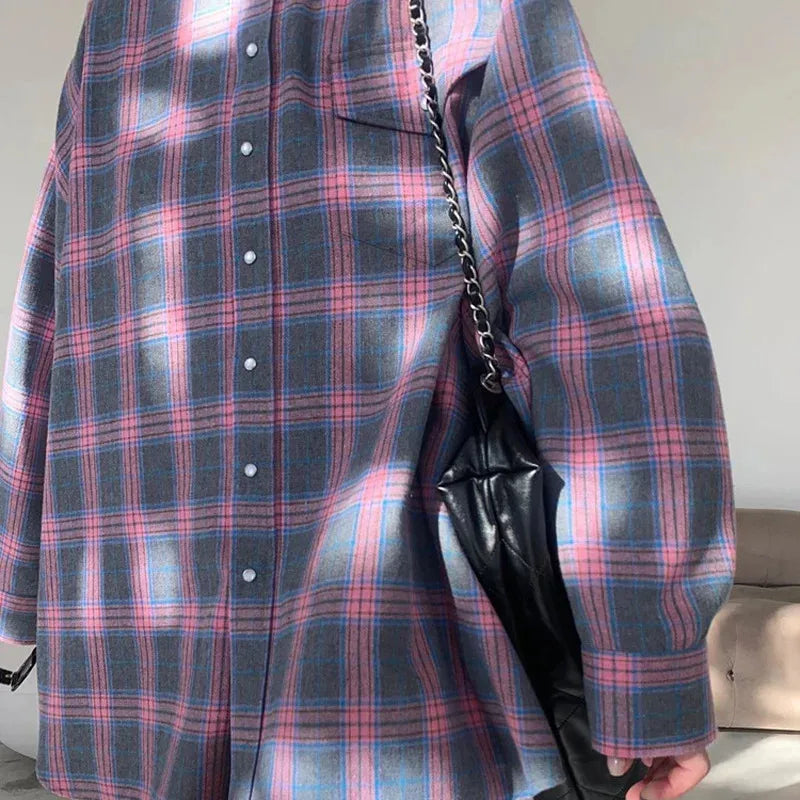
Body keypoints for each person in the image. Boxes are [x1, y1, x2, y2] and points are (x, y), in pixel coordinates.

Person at [0, 0, 736, 798]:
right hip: (151, 687)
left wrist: (648, 663)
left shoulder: (465, 11)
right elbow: (55, 300)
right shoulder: (117, 27)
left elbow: (604, 317)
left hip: (377, 690)